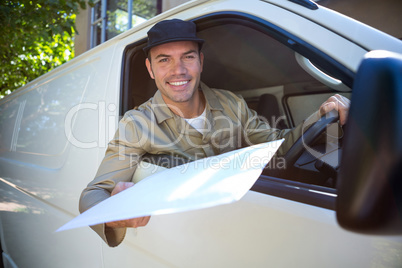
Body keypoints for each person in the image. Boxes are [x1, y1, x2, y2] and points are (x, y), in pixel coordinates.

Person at [79, 19, 350, 247]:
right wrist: (113, 213)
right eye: (164, 60)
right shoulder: (136, 124)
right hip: (184, 244)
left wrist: (321, 115)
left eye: (188, 56)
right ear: (150, 69)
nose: (179, 70)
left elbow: (278, 147)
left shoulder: (232, 103)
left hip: (247, 231)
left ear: (201, 61)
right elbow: (91, 195)